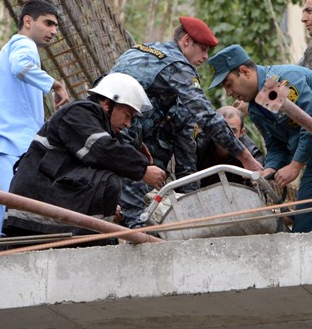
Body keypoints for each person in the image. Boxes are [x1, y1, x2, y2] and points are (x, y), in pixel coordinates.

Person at [110, 17, 263, 228]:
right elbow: (206, 116)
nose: (205, 57)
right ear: (187, 41)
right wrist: (245, 156)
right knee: (136, 221)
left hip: (104, 131)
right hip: (125, 138)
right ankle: (136, 228)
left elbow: (185, 144)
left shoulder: (142, 50)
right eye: (203, 49)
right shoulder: (177, 65)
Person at [208, 44, 312, 232]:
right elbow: (276, 146)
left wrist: (296, 165)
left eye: (228, 84)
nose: (229, 93)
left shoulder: (278, 83)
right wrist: (270, 169)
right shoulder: (257, 106)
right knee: (305, 227)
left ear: (244, 71)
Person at [5, 73, 166, 237]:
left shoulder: (93, 121)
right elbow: (102, 149)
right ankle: (99, 237)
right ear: (107, 104)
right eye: (127, 115)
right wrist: (142, 169)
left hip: (44, 200)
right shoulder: (79, 113)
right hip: (35, 204)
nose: (128, 124)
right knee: (109, 182)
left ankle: (102, 233)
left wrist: (107, 206)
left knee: (106, 185)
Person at [0, 0, 70, 249]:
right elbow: (21, 66)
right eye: (48, 23)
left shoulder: (2, 54)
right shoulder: (24, 44)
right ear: (28, 21)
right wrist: (56, 85)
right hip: (13, 153)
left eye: (55, 26)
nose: (53, 31)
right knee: (16, 218)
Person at [196, 105, 265, 187]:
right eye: (220, 131)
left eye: (232, 131)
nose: (226, 137)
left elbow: (260, 186)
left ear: (241, 132)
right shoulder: (198, 148)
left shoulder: (253, 155)